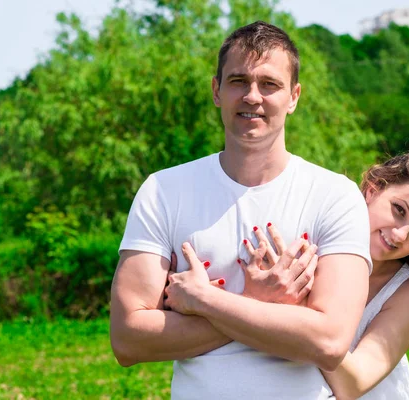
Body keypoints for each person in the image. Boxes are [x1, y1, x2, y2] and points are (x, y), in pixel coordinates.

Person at [110, 21, 372, 399]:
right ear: (216, 91)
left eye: (270, 84)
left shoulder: (335, 196)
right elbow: (128, 339)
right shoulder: (163, 190)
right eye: (238, 81)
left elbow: (329, 342)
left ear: (294, 96)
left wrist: (207, 302)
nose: (252, 96)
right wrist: (260, 303)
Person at [166, 147, 409, 399]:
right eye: (398, 210)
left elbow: (354, 383)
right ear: (373, 190)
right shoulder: (310, 248)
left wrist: (298, 314)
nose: (401, 235)